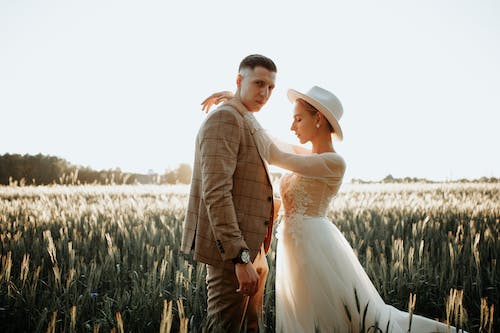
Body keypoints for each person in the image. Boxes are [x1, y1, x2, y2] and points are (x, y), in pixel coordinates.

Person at [202, 86, 464, 332]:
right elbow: (271, 141)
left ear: (318, 119)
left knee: (326, 314)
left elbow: (274, 154)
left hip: (314, 247)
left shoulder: (333, 162)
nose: (292, 126)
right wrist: (239, 102)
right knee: (305, 313)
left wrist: (242, 108)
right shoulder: (309, 156)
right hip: (295, 245)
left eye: (298, 119)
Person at [181, 54, 280, 332]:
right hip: (233, 258)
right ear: (239, 80)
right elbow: (216, 193)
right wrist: (240, 258)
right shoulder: (224, 119)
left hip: (255, 250)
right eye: (259, 83)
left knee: (251, 328)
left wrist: (236, 99)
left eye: (271, 87)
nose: (265, 93)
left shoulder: (242, 118)